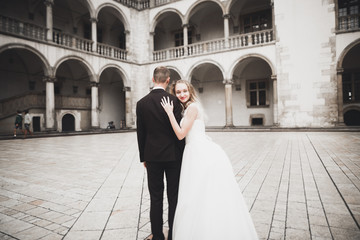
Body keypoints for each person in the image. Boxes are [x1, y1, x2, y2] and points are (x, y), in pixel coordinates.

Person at [160, 80, 259, 240]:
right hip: (195, 150)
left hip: (198, 153)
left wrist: (169, 112)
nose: (182, 94)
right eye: (178, 92)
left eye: (184, 91)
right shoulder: (188, 108)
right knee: (198, 193)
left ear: (190, 90)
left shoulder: (192, 108)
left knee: (198, 193)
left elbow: (180, 134)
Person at [136, 66, 185, 240]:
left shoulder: (141, 103)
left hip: (152, 157)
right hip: (173, 157)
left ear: (152, 79)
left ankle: (157, 235)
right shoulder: (173, 100)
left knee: (155, 197)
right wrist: (182, 155)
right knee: (174, 197)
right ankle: (173, 234)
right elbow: (179, 131)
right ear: (167, 80)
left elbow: (141, 133)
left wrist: (144, 157)